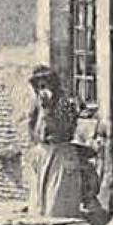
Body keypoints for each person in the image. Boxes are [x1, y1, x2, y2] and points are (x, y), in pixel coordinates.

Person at [25, 65, 83, 217]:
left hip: (60, 154)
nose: (42, 88)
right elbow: (31, 125)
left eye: (45, 83)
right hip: (42, 153)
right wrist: (35, 145)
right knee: (39, 204)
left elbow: (64, 131)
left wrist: (48, 111)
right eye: (39, 85)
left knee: (56, 202)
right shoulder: (37, 102)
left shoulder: (64, 103)